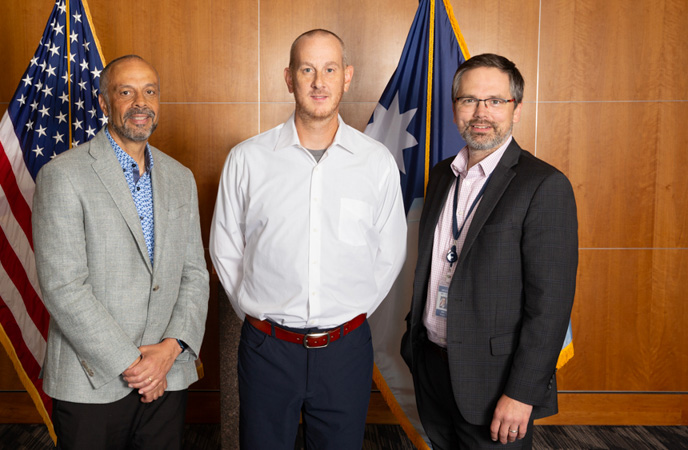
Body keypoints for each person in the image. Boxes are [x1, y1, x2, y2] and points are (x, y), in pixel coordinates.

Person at [209, 29, 407, 449]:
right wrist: (252, 311)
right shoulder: (248, 159)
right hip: (267, 348)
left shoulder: (376, 163)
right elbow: (225, 248)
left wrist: (351, 315)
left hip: (345, 350)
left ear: (347, 76)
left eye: (330, 69)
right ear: (288, 77)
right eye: (307, 69)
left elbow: (389, 252)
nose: (319, 81)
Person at [401, 53, 579, 449]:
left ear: (516, 109)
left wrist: (522, 393)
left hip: (495, 381)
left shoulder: (544, 185)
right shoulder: (440, 176)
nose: (481, 112)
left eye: (495, 101)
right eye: (469, 100)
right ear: (454, 108)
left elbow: (550, 307)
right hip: (432, 366)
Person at [32, 54, 209, 450]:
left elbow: (194, 275)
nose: (140, 103)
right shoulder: (62, 175)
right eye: (126, 92)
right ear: (103, 102)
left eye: (150, 91)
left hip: (166, 375)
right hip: (91, 379)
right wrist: (136, 366)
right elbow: (64, 287)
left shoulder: (181, 178)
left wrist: (169, 350)